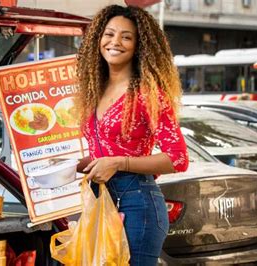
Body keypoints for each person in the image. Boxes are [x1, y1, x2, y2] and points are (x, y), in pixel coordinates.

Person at [74, 5, 188, 265]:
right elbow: (107, 149)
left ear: (139, 46)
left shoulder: (148, 93)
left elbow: (178, 158)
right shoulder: (94, 90)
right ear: (97, 38)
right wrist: (82, 165)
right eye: (109, 34)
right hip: (100, 202)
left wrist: (118, 162)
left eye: (126, 37)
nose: (115, 42)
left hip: (138, 206)